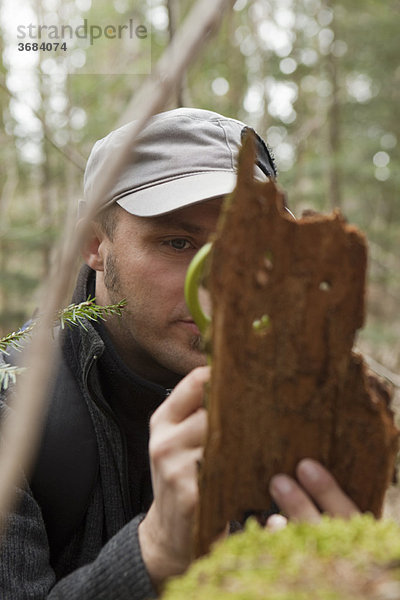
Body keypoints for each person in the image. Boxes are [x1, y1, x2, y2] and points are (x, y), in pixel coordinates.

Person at [0, 108, 358, 599]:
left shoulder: (297, 405)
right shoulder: (12, 411)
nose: (220, 286)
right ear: (95, 244)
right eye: (177, 241)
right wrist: (154, 554)